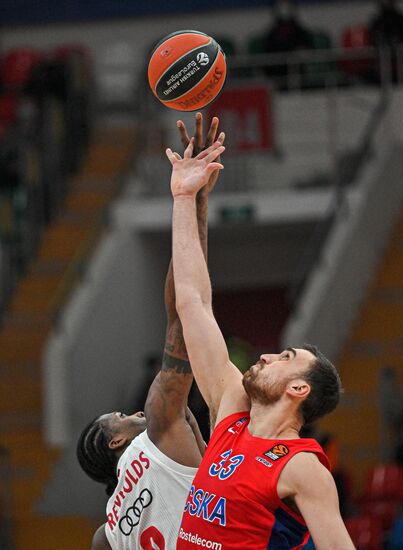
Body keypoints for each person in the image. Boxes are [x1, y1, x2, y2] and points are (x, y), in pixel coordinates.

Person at [167, 130, 355, 548]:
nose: (268, 355)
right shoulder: (231, 411)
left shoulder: (303, 467)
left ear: (299, 388)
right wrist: (183, 199)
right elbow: (193, 304)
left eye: (285, 357)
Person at [76, 114, 225, 550]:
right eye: (121, 417)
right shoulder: (158, 429)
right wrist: (193, 201)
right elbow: (186, 312)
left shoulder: (105, 535)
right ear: (118, 440)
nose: (133, 413)